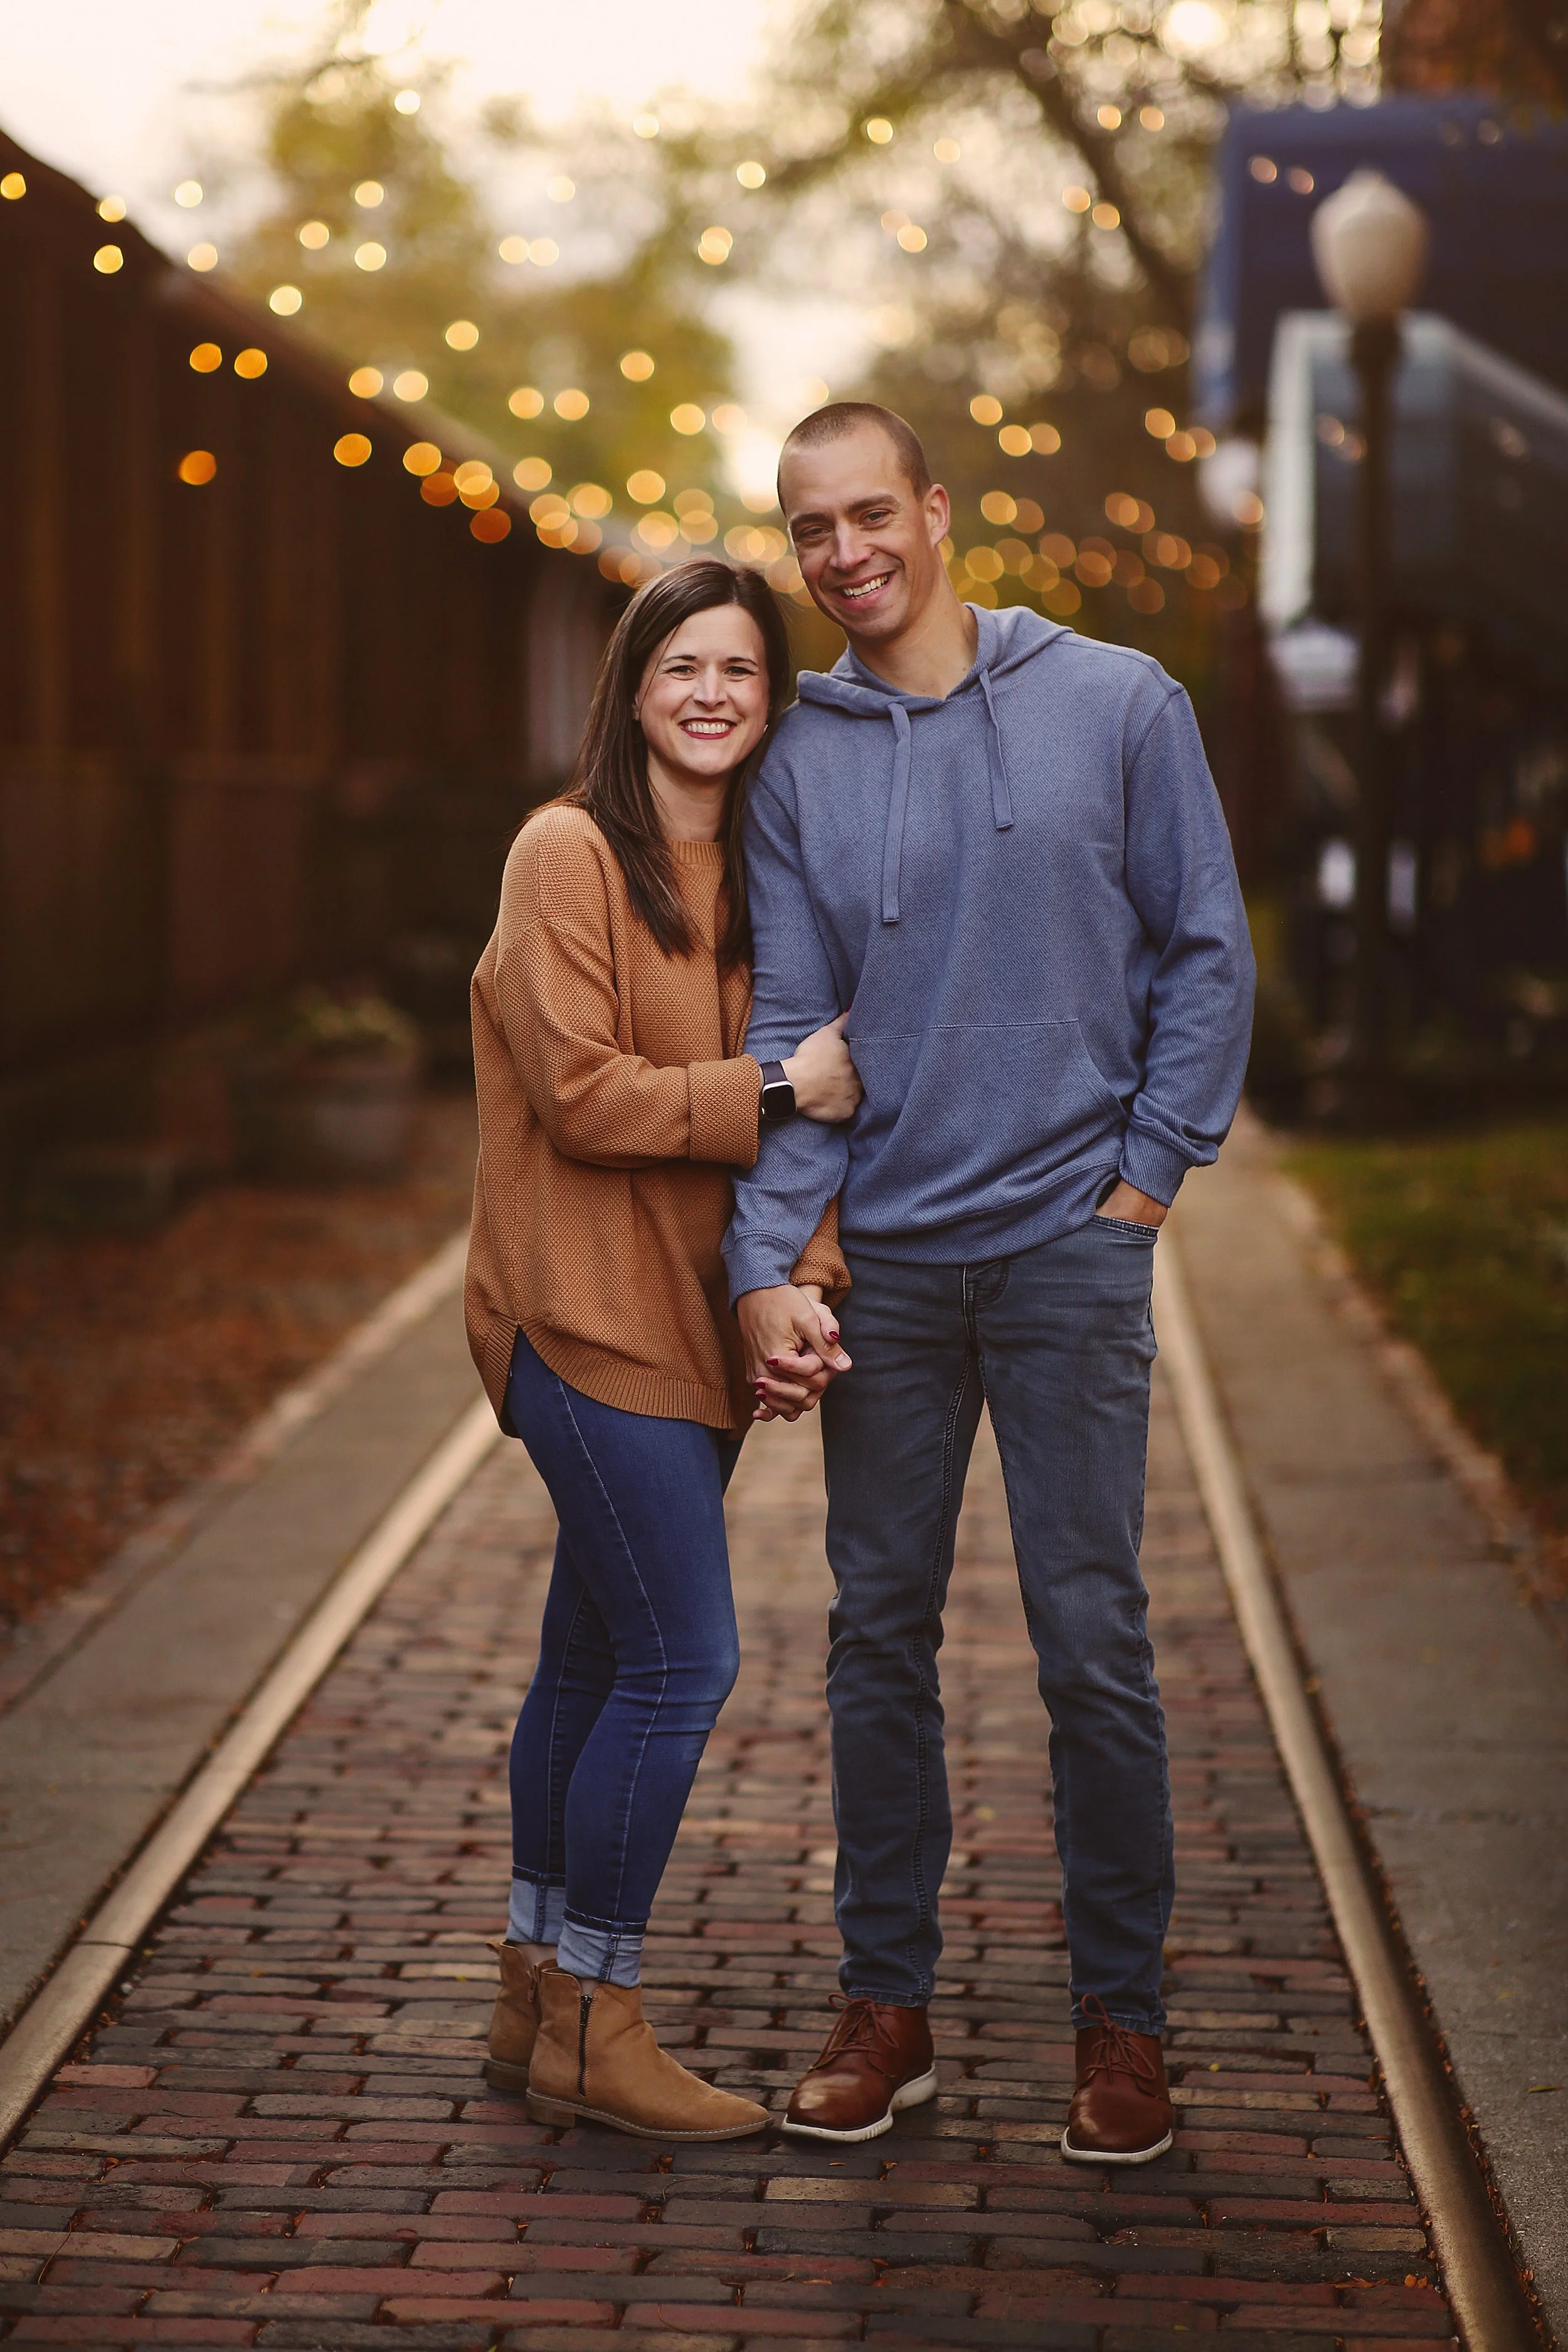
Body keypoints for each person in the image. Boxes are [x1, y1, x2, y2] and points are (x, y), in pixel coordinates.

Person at [729, 403, 1255, 2161]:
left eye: (869, 512)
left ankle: (1122, 2022)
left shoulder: (1116, 704)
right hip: (886, 1267)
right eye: (810, 527)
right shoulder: (798, 761)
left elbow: (1205, 952)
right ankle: (886, 2001)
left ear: (937, 513)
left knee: (1090, 1639)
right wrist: (770, 1261)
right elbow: (790, 1035)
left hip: (1063, 1255)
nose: (842, 551)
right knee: (874, 1636)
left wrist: (1140, 1185)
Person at [465, 557, 859, 2142]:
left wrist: (802, 1284)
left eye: (741, 673)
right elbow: (584, 1094)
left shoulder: (773, 879)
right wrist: (769, 1091)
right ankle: (596, 2022)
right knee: (686, 1661)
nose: (710, 693)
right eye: (681, 665)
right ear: (631, 687)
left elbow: (828, 1124)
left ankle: (531, 1985)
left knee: (592, 1657)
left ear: (772, 703)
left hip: (699, 1331)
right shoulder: (564, 854)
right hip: (575, 1316)